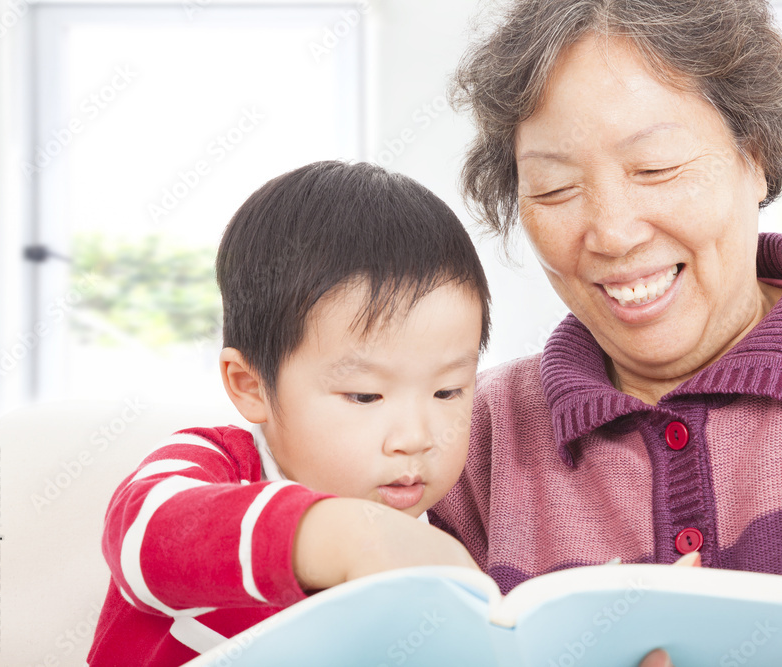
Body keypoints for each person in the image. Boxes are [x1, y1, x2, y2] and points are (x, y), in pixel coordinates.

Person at [429, 1, 782, 665]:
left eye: (654, 168)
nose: (613, 232)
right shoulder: (468, 434)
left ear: (757, 153)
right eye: (555, 188)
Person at [87, 161, 490, 666]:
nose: (414, 437)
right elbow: (142, 532)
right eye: (365, 396)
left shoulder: (435, 546)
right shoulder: (216, 466)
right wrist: (340, 535)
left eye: (449, 391)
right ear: (250, 384)